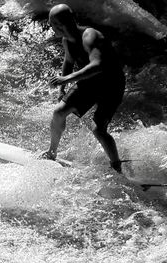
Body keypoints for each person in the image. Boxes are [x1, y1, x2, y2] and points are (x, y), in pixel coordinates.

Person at [40, 4, 125, 173]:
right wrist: (62, 89)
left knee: (99, 129)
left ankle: (117, 166)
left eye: (52, 24)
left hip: (111, 85)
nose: (51, 28)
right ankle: (52, 152)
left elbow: (98, 65)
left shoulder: (90, 35)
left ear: (59, 25)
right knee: (59, 112)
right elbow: (68, 62)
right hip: (89, 83)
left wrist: (66, 78)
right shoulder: (67, 41)